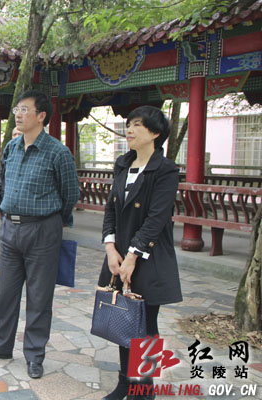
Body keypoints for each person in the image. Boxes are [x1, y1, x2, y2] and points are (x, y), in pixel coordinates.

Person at [0, 90, 80, 379]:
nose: (18, 114)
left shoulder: (58, 152)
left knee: (39, 297)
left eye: (24, 109)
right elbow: (1, 181)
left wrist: (56, 221)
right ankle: (1, 346)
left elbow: (70, 193)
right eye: (16, 109)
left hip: (43, 229)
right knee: (5, 294)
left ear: (41, 116)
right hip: (10, 229)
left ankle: (34, 355)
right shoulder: (11, 147)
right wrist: (0, 208)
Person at [99, 106, 182, 400]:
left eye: (137, 125)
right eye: (129, 125)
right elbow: (111, 209)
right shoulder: (123, 164)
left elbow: (157, 218)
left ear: (155, 133)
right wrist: (111, 248)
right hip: (119, 256)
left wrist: (133, 255)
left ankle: (143, 390)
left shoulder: (165, 169)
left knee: (145, 323)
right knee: (123, 319)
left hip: (148, 257)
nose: (130, 130)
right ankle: (125, 383)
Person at [0, 126, 22, 279]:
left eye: (19, 134)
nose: (16, 136)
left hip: (24, 206)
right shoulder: (8, 153)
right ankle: (2, 267)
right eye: (14, 134)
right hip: (7, 203)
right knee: (5, 239)